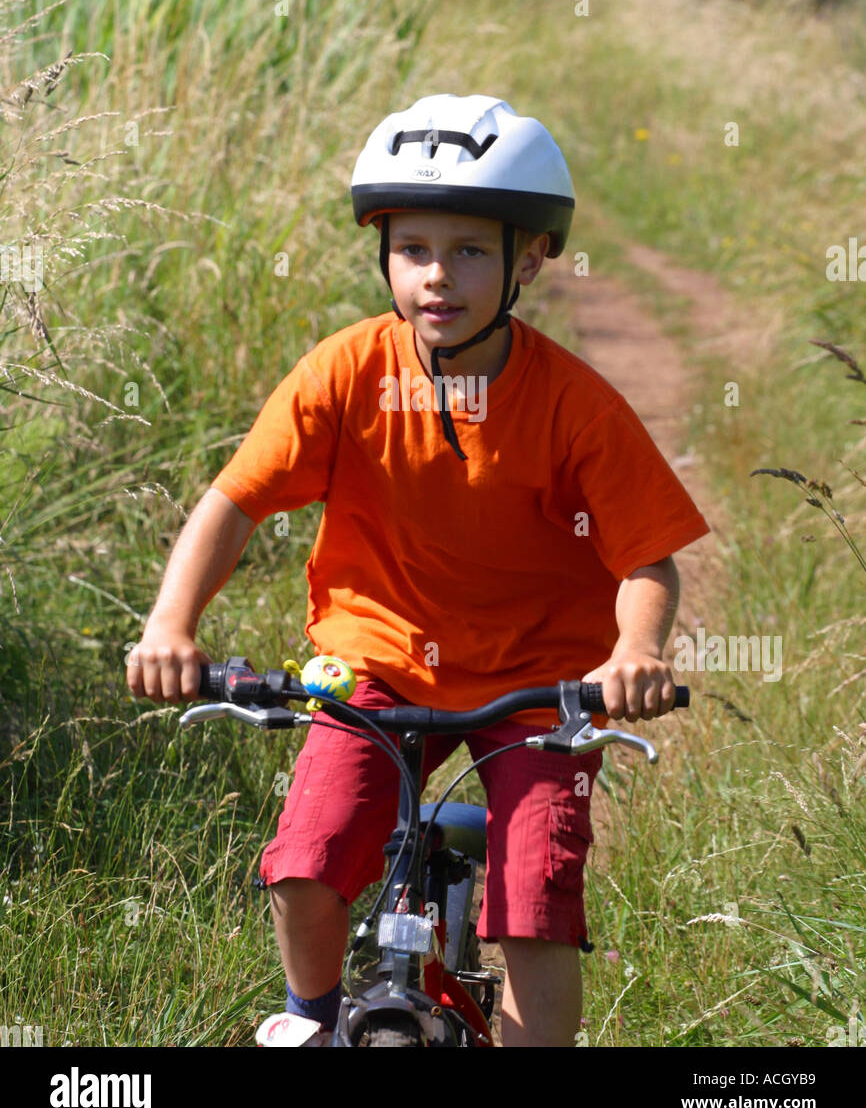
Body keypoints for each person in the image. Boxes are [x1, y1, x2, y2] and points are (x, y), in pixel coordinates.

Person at [126, 93, 710, 1048]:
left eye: (472, 251)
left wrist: (635, 653)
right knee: (308, 860)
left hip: (540, 687)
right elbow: (233, 503)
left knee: (531, 899)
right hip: (379, 664)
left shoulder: (576, 406)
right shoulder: (344, 372)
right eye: (415, 249)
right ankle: (309, 1020)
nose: (439, 276)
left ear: (531, 259)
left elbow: (646, 557)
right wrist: (171, 627)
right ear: (384, 254)